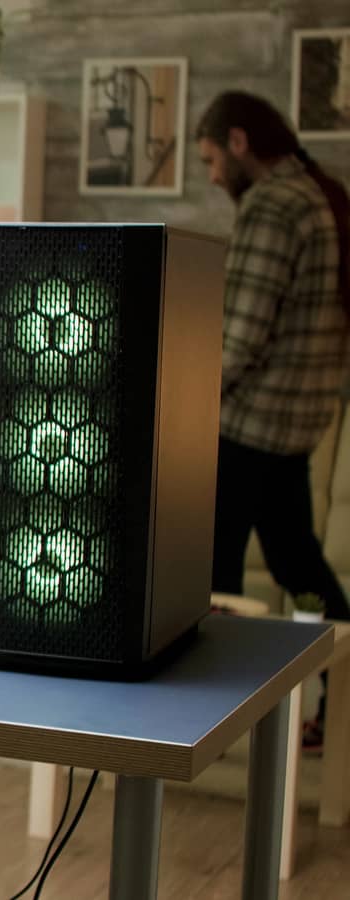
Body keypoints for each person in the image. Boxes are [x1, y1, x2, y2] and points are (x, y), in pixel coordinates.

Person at [196, 92, 350, 749]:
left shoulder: (273, 205)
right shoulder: (320, 196)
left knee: (211, 571)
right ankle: (336, 702)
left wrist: (186, 397)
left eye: (208, 159)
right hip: (297, 420)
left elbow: (242, 335)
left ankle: (211, 713)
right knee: (296, 563)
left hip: (250, 424)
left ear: (237, 143)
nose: (209, 177)